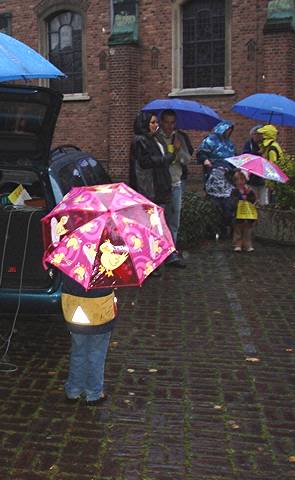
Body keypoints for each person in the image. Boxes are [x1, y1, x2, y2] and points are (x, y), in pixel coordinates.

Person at [61, 272, 117, 406]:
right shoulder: (108, 253)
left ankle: (73, 390)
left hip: (75, 308)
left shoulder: (70, 255)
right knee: (97, 352)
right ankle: (93, 393)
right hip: (100, 308)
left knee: (78, 350)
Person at [129, 111, 173, 276]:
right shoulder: (140, 140)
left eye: (156, 122)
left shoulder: (154, 138)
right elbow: (145, 162)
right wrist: (165, 159)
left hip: (157, 187)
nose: (156, 125)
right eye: (152, 122)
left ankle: (155, 260)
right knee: (148, 228)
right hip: (147, 189)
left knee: (155, 227)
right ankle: (147, 263)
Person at [157, 109, 193, 268]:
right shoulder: (156, 138)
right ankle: (158, 255)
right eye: (166, 122)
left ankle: (171, 254)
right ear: (161, 122)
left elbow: (187, 160)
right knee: (159, 222)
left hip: (176, 183)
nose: (169, 126)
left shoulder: (179, 138)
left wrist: (178, 151)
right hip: (160, 185)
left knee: (174, 221)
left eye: (172, 123)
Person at [196, 120, 236, 238]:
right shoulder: (210, 141)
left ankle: (225, 228)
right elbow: (201, 154)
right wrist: (205, 160)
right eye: (227, 130)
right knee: (214, 205)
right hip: (214, 174)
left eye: (230, 131)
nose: (229, 132)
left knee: (227, 204)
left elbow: (234, 157)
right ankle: (213, 230)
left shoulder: (230, 143)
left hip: (227, 177)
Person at [229, 169, 257, 252]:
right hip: (238, 214)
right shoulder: (234, 191)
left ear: (245, 180)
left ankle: (247, 244)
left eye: (242, 179)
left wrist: (248, 198)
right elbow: (232, 201)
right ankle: (238, 244)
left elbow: (253, 200)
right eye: (237, 180)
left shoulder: (249, 190)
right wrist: (239, 200)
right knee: (237, 230)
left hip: (248, 214)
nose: (239, 182)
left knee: (247, 231)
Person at [242, 125, 268, 205]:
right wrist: (257, 153)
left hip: (263, 175)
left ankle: (263, 216)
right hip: (252, 176)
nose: (258, 136)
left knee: (264, 201)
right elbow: (246, 156)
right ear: (252, 135)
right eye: (256, 134)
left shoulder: (265, 144)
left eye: (260, 134)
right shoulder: (248, 144)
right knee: (252, 200)